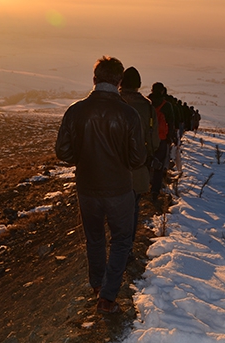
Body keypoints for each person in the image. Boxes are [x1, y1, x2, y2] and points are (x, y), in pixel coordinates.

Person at [55, 56, 146, 314]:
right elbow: (138, 158)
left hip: (87, 188)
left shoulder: (75, 111)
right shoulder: (129, 114)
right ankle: (107, 298)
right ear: (119, 82)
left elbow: (63, 152)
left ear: (94, 79)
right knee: (121, 241)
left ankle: (97, 285)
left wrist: (82, 158)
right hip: (119, 189)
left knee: (94, 239)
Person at [119, 66, 160, 245]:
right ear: (139, 85)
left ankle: (113, 247)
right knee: (132, 208)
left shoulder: (112, 102)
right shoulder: (147, 107)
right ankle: (126, 248)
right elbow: (154, 140)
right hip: (136, 165)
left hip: (110, 166)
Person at [148, 82, 175, 201]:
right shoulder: (167, 105)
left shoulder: (146, 102)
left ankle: (145, 185)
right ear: (163, 91)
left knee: (147, 162)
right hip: (162, 138)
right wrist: (170, 137)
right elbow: (171, 123)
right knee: (159, 165)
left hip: (147, 138)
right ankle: (155, 190)